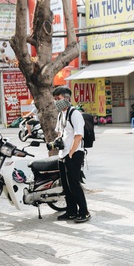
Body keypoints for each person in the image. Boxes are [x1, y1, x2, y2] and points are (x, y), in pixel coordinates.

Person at [52, 86, 90, 223]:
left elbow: (78, 135)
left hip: (74, 153)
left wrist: (71, 153)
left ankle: (84, 212)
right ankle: (71, 211)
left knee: (74, 184)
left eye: (59, 99)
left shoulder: (75, 114)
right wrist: (59, 142)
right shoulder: (61, 114)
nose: (56, 102)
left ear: (67, 98)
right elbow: (59, 131)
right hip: (63, 154)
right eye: (55, 99)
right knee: (66, 186)